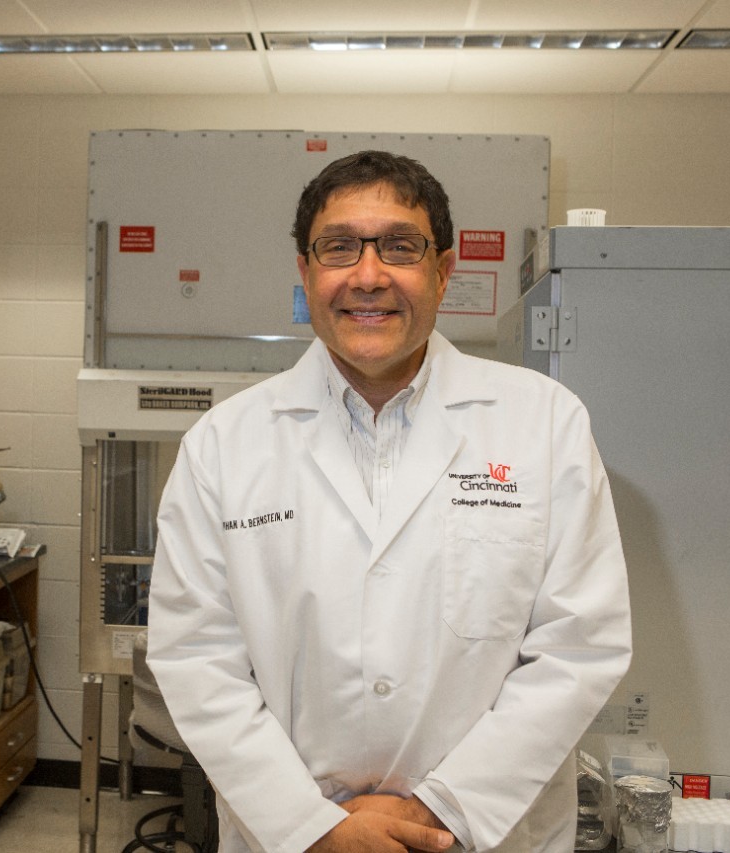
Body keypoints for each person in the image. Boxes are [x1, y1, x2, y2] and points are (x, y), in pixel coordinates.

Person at [145, 150, 632, 853]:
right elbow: (195, 657)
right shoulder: (224, 444)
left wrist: (440, 812)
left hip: (479, 835)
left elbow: (579, 646)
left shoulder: (544, 423)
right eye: (339, 247)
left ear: (442, 269)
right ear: (305, 270)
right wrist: (313, 826)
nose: (368, 276)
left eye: (399, 247)